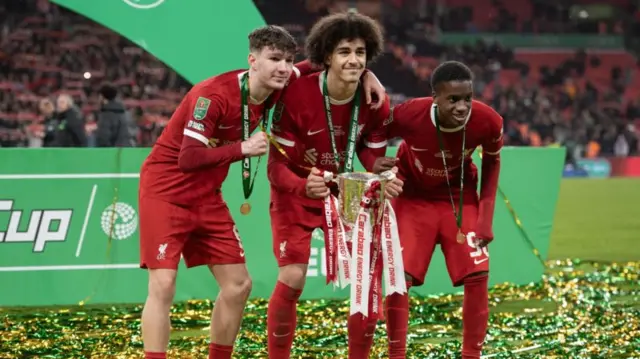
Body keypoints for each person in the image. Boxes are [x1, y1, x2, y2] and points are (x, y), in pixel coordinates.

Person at [137, 24, 386, 359]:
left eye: (287, 60)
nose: (282, 67)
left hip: (207, 197)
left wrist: (367, 73)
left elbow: (326, 62)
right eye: (273, 59)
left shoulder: (281, 83)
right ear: (251, 60)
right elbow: (188, 158)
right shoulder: (211, 96)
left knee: (239, 286)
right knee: (164, 285)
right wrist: (241, 148)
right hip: (165, 192)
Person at [266, 12, 404, 359]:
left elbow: (371, 157)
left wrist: (382, 175)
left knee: (367, 279)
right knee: (294, 277)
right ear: (326, 56)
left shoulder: (375, 100)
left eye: (360, 52)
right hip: (298, 190)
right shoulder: (294, 92)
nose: (354, 60)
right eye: (344, 51)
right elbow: (275, 167)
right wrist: (302, 186)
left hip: (346, 192)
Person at [381, 61, 503, 359]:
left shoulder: (488, 121)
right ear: (434, 97)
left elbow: (492, 163)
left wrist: (485, 217)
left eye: (467, 98)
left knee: (477, 275)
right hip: (412, 197)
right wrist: (378, 170)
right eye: (453, 99)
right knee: (399, 278)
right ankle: (396, 354)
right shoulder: (409, 113)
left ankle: (471, 355)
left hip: (459, 197)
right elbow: (370, 135)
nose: (463, 107)